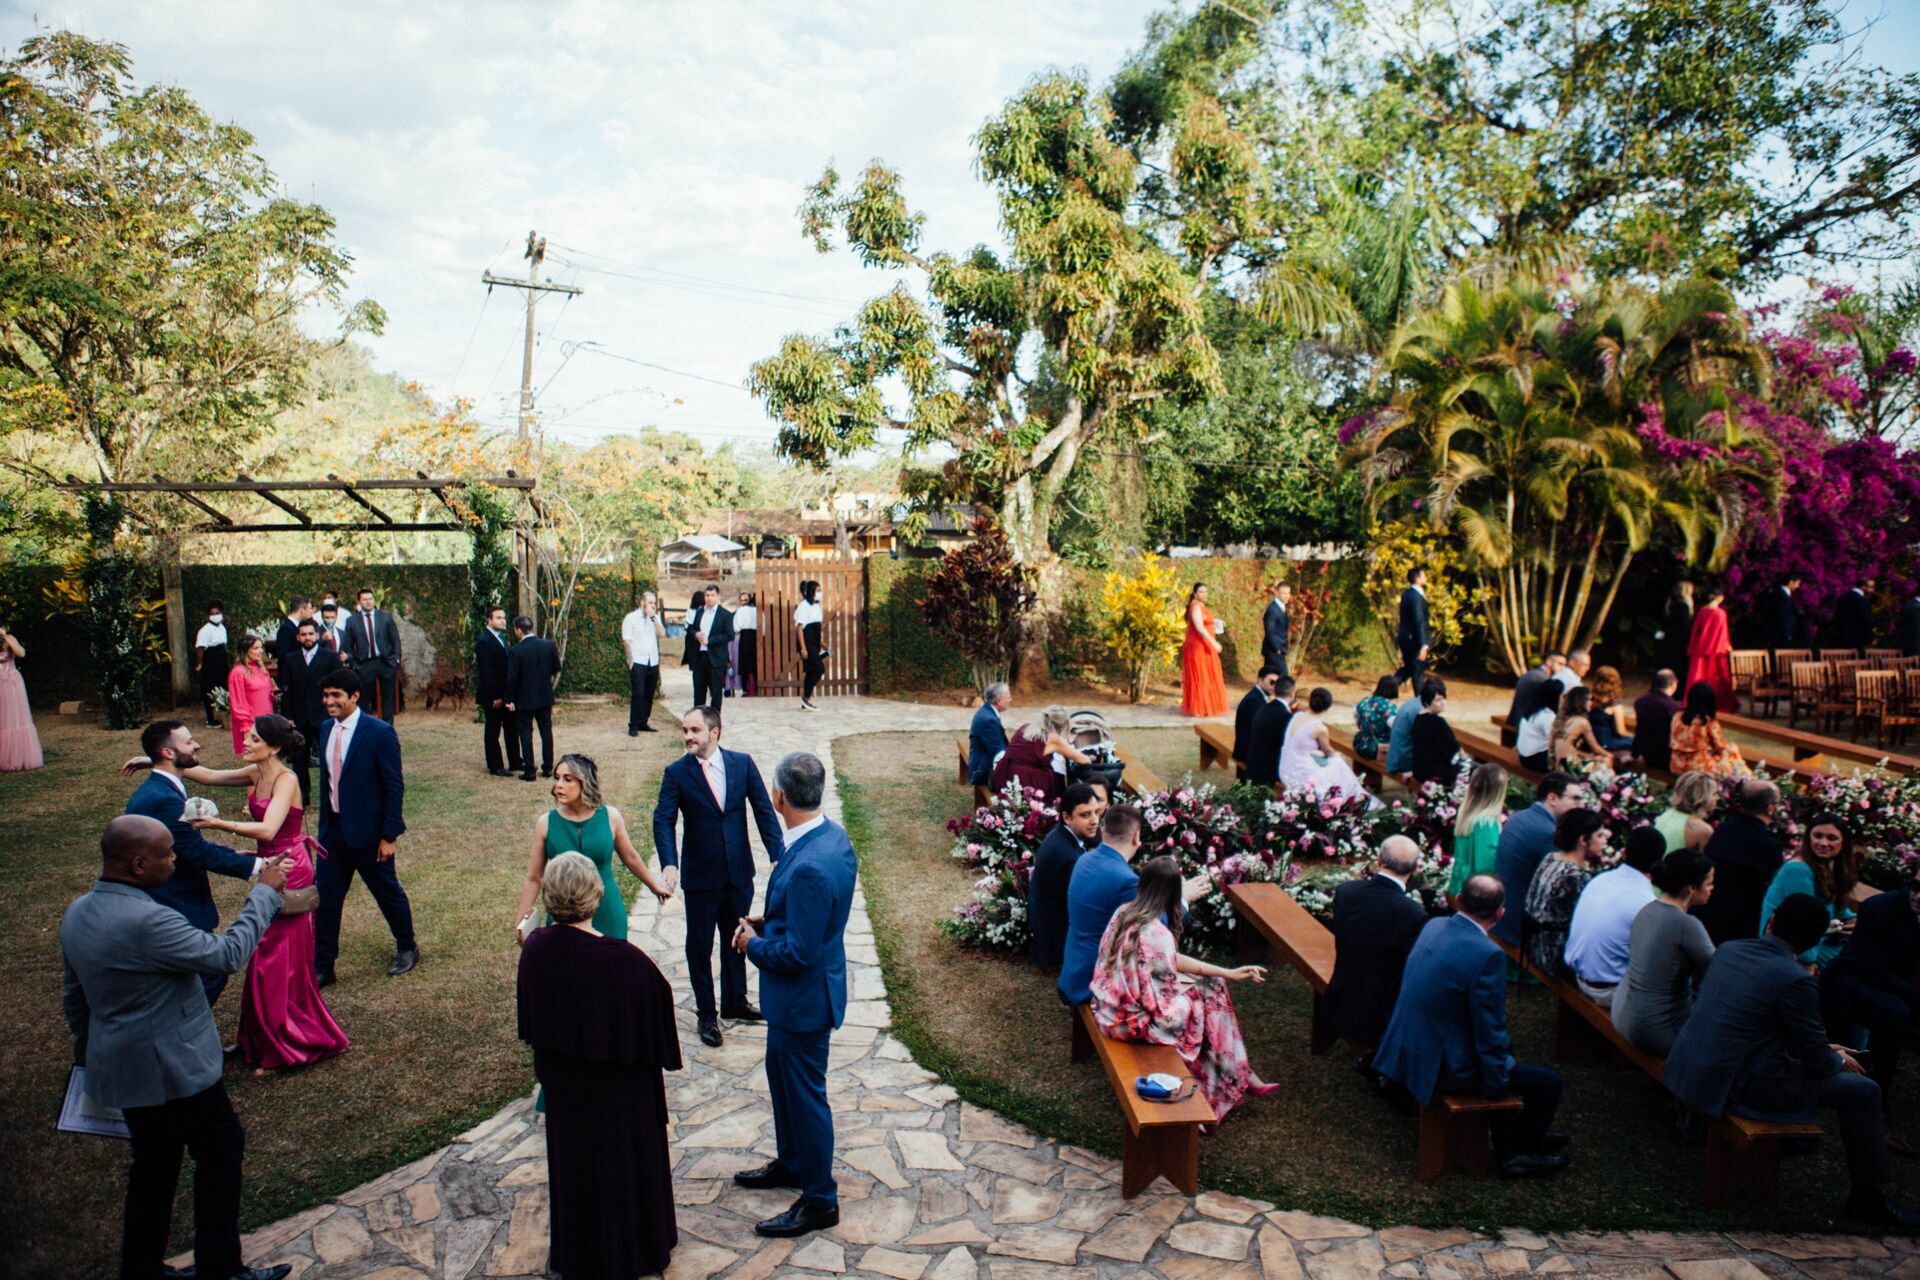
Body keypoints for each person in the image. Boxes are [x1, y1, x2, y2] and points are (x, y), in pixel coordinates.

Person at [62, 816, 292, 1280]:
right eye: (168, 854)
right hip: (173, 1067)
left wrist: (90, 1055)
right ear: (138, 863)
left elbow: (75, 998)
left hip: (123, 1067)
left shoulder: (78, 912)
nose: (175, 859)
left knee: (153, 1166)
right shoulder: (148, 921)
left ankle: (142, 1269)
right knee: (221, 1148)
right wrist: (264, 893)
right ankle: (221, 1269)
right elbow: (227, 956)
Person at [1664, 894, 1920, 1226]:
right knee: (1865, 1091)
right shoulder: (1794, 979)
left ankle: (1838, 1174)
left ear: (1771, 922)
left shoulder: (1729, 949)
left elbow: (1758, 1025)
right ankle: (1867, 1199)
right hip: (1731, 1082)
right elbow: (1816, 1061)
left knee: (1824, 1068)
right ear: (1814, 942)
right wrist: (1836, 1058)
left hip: (1690, 1065)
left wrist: (1827, 1049)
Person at [518, 852, 682, 1276]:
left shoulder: (535, 949)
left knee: (577, 1170)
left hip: (567, 1096)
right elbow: (661, 1029)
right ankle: (637, 1248)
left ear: (552, 898)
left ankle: (581, 1252)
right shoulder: (628, 962)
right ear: (596, 895)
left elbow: (533, 1023)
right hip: (622, 1101)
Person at [734, 751, 859, 1239]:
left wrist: (751, 943)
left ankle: (820, 1200)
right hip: (801, 997)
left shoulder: (809, 862)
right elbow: (815, 915)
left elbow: (797, 954)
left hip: (803, 1002)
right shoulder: (829, 835)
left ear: (778, 796)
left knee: (806, 1099)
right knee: (782, 1083)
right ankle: (791, 1163)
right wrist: (772, 921)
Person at [1373, 875, 1568, 1179]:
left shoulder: (1434, 925)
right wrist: (1496, 1084)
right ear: (1500, 915)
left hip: (1408, 1047)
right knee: (1547, 1082)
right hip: (1440, 1066)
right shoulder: (1486, 954)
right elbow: (1490, 1029)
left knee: (1508, 1059)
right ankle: (1518, 1151)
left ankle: (1521, 1135)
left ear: (1460, 901)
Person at [189, 715, 349, 1073]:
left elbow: (268, 827)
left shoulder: (286, 779)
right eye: (248, 736)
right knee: (264, 952)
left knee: (272, 956)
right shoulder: (254, 773)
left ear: (274, 747)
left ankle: (287, 1042)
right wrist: (158, 761)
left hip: (289, 868)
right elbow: (208, 775)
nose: (246, 743)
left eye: (254, 739)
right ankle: (258, 1039)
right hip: (268, 865)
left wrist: (217, 825)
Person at [1090, 855, 1275, 1119]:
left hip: (1107, 1010)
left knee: (1212, 986)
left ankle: (1235, 1076)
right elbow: (1165, 1011)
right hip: (1128, 1024)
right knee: (1210, 1002)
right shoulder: (1158, 933)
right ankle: (1229, 1082)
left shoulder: (1124, 912)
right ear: (1174, 892)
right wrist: (1196, 1001)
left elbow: (1168, 960)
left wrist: (1226, 973)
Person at [652, 706, 785, 1048]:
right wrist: (669, 863)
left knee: (737, 936)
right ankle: (707, 1014)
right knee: (699, 945)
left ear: (715, 732)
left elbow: (763, 810)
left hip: (738, 873)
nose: (688, 737)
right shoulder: (676, 773)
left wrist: (777, 854)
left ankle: (735, 1000)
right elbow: (663, 820)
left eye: (694, 730)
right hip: (700, 878)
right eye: (685, 730)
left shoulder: (742, 764)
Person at [123, 720, 266, 1004]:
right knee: (209, 972)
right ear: (168, 753)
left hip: (163, 897)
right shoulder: (164, 798)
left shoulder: (161, 787)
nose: (197, 744)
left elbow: (185, 843)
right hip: (173, 900)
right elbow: (195, 851)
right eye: (188, 741)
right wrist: (259, 867)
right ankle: (186, 1036)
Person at [313, 668, 418, 986]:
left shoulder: (379, 732)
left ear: (354, 697)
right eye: (326, 695)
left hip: (369, 835)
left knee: (386, 891)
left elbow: (393, 786)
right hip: (332, 833)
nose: (329, 702)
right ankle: (323, 965)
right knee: (326, 897)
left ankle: (407, 946)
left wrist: (389, 835)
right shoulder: (324, 729)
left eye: (336, 696)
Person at [516, 752, 673, 945]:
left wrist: (653, 885)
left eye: (567, 779)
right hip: (562, 913)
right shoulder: (546, 823)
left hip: (607, 908)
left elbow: (630, 857)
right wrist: (522, 921)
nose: (558, 785)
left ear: (585, 782)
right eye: (557, 778)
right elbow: (534, 877)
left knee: (611, 968)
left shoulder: (610, 817)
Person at [1059, 806, 1210, 1005]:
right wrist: (1181, 899)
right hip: (1097, 979)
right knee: (1204, 992)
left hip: (1074, 969)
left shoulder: (1084, 859)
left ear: (1104, 830)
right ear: (1136, 837)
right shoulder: (1127, 880)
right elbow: (1155, 934)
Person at [1825, 880, 1920, 1150]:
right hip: (1855, 980)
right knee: (1895, 1012)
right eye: (1916, 885)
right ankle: (1877, 1099)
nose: (1919, 895)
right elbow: (1874, 970)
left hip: (1899, 981)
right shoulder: (1879, 907)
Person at [1324, 837, 1429, 1071]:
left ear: (1379, 859)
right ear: (1414, 869)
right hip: (1378, 1008)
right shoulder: (1413, 914)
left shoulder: (1346, 892)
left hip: (1341, 989)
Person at [1612, 848, 1717, 1058]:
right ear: (1691, 888)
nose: (1712, 889)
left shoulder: (1647, 910)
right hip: (1654, 1030)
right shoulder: (1686, 924)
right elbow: (1717, 970)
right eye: (1708, 883)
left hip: (1622, 1012)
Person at [1564, 826, 1662, 1007]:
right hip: (1609, 991)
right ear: (1658, 864)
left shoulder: (1600, 879)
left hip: (1578, 976)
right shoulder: (1647, 902)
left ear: (1624, 853)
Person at [1492, 772, 1583, 946]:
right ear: (1553, 798)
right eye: (1575, 799)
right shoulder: (1548, 833)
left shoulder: (1520, 816)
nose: (1580, 805)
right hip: (1518, 926)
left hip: (1500, 911)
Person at [1759, 811, 1859, 968]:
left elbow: (1837, 906)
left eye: (1831, 838)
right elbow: (1801, 925)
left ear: (1843, 843)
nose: (1823, 843)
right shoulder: (1799, 870)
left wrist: (1852, 920)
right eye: (1817, 836)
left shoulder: (1828, 866)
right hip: (1790, 949)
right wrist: (1808, 964)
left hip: (1819, 939)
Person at [1696, 778, 1786, 947]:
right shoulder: (1769, 846)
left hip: (1707, 915)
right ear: (1770, 808)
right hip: (1740, 929)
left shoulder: (1723, 830)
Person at [1522, 808, 1606, 982]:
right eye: (1599, 835)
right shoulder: (1576, 876)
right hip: (1552, 956)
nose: (1604, 841)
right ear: (1583, 839)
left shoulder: (1551, 858)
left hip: (1531, 943)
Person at [1028, 784, 1104, 969]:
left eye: (1096, 812)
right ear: (1067, 817)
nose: (1095, 820)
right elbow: (1086, 905)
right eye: (1085, 815)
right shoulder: (1067, 856)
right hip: (1056, 945)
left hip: (1048, 927)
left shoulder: (1060, 836)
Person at [277, 619, 339, 808]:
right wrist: (287, 716)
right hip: (299, 718)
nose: (307, 637)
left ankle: (331, 795)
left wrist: (335, 713)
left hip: (324, 717)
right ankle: (302, 796)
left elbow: (338, 687)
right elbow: (286, 690)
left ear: (317, 635)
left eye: (311, 634)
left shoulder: (330, 657)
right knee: (299, 760)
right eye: (303, 634)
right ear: (298, 637)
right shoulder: (290, 658)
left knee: (329, 758)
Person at [1280, 687, 1375, 802]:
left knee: (1332, 764)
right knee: (1337, 762)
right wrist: (1337, 754)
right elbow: (1328, 751)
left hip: (1285, 766)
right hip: (1298, 772)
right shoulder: (1319, 728)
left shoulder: (1297, 716)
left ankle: (1351, 795)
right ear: (1328, 707)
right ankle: (1351, 797)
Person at [991, 705, 1092, 804]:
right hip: (1024, 781)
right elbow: (1082, 760)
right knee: (1057, 776)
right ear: (1063, 726)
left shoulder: (1025, 728)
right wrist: (1090, 757)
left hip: (1005, 773)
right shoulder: (1052, 738)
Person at [505, 614, 561, 782]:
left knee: (525, 734)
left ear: (518, 630)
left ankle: (529, 770)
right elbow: (556, 667)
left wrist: (510, 699)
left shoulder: (516, 650)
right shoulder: (548, 645)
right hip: (544, 696)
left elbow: (512, 678)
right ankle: (548, 767)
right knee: (546, 732)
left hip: (524, 698)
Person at [1448, 763, 1508, 902]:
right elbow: (1486, 864)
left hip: (1461, 884)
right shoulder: (1486, 823)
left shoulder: (1467, 813)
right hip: (1478, 893)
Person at [342, 587, 402, 721]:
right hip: (364, 664)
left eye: (370, 599)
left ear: (374, 600)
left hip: (386, 662)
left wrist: (396, 659)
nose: (368, 602)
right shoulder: (352, 621)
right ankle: (363, 728)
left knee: (388, 699)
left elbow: (395, 640)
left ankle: (387, 728)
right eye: (365, 599)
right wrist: (355, 664)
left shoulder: (385, 617)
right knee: (363, 700)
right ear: (359, 602)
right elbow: (348, 646)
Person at [475, 605, 520, 775]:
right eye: (499, 618)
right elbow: (487, 673)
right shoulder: (484, 642)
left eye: (504, 617)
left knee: (511, 727)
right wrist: (495, 697)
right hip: (494, 695)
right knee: (493, 729)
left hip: (506, 693)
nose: (503, 621)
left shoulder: (502, 638)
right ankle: (495, 765)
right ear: (489, 620)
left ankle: (516, 761)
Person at [1668, 681, 1748, 777]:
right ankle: (1748, 780)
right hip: (1699, 767)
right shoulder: (1708, 722)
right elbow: (1721, 747)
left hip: (1677, 765)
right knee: (1733, 755)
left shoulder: (1677, 716)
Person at [1180, 582, 1228, 718]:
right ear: (1195, 593)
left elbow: (1205, 622)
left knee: (1207, 674)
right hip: (1198, 645)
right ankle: (1198, 708)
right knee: (1200, 675)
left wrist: (1215, 623)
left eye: (1206, 592)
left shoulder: (1201, 606)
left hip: (1204, 645)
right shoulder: (1195, 606)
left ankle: (1205, 706)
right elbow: (1199, 627)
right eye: (1201, 592)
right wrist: (1214, 642)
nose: (1204, 594)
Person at [0, 618, 42, 772]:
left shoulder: (8, 639)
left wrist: (6, 639)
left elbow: (21, 653)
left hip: (11, 682)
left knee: (14, 716)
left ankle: (18, 756)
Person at [621, 591, 666, 735]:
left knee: (648, 694)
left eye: (654, 603)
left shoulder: (655, 618)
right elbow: (627, 641)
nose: (653, 606)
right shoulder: (631, 618)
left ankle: (643, 722)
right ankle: (633, 725)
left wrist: (653, 617)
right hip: (638, 661)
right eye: (650, 603)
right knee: (638, 694)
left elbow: (662, 633)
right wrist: (630, 661)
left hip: (652, 660)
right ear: (642, 603)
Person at [1685, 588, 1735, 714]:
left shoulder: (1701, 612)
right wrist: (1727, 646)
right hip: (1716, 651)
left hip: (1700, 649)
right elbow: (1723, 634)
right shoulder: (1720, 613)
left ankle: (1693, 702)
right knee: (1716, 678)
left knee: (1697, 677)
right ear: (1719, 597)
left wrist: (1693, 647)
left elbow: (1695, 632)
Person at [225, 636, 276, 759]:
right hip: (252, 723)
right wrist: (246, 728)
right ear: (245, 651)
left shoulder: (261, 668)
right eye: (256, 648)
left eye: (261, 647)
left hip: (268, 720)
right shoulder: (238, 672)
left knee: (270, 759)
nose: (261, 651)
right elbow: (238, 703)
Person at [687, 583, 733, 712]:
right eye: (707, 595)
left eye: (712, 595)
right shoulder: (699, 611)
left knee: (716, 692)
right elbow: (691, 628)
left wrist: (710, 640)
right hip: (700, 657)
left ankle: (714, 719)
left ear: (718, 596)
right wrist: (696, 634)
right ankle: (698, 718)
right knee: (699, 691)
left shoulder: (725, 615)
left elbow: (729, 635)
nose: (709, 598)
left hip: (716, 658)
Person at [1409, 677, 1463, 788]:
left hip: (1420, 770)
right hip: (1435, 773)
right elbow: (1454, 751)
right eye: (1438, 700)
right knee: (1479, 771)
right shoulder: (1438, 723)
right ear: (1427, 703)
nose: (1443, 703)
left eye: (1444, 698)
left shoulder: (1418, 719)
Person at [1243, 678, 1297, 788]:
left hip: (1254, 763)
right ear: (1292, 694)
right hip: (1269, 770)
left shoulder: (1264, 707)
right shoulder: (1285, 716)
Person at [1548, 687, 1612, 773]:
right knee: (1606, 760)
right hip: (1569, 768)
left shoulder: (1561, 719)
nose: (1592, 703)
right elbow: (1596, 748)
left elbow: (1564, 746)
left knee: (1593, 757)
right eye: (1590, 699)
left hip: (1556, 765)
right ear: (1581, 701)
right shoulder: (1582, 722)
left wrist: (1587, 755)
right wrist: (1610, 755)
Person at [1654, 769, 1718, 853]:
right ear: (1703, 797)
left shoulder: (1668, 813)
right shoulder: (1703, 830)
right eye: (1713, 794)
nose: (1717, 798)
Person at [1632, 669, 1684, 772]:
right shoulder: (1674, 708)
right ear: (1674, 684)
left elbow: (1640, 730)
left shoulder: (1641, 701)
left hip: (1646, 754)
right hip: (1665, 758)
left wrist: (1634, 753)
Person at [1232, 668, 1280, 772]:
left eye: (1277, 683)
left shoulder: (1258, 697)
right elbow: (1262, 730)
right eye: (1272, 682)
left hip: (1249, 748)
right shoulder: (1253, 701)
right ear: (1260, 680)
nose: (1274, 686)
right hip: (1247, 752)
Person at [1505, 651, 1566, 731]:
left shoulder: (1532, 673)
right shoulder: (1542, 680)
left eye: (1564, 665)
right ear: (1549, 662)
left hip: (1516, 719)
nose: (1563, 668)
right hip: (1526, 725)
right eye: (1560, 664)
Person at [194, 600, 231, 729]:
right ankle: (210, 719)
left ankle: (225, 714)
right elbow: (200, 648)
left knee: (224, 685)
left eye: (217, 613)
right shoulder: (205, 630)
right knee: (209, 688)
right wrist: (200, 663)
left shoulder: (222, 628)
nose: (215, 615)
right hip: (210, 658)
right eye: (212, 613)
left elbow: (224, 644)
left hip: (221, 657)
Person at [1512, 678, 1561, 775]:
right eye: (1563, 695)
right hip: (1535, 761)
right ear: (1556, 697)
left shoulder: (1533, 710)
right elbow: (1556, 741)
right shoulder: (1547, 716)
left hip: (1524, 757)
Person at [970, 682, 1013, 787]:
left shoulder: (987, 710)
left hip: (982, 760)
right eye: (1008, 697)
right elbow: (998, 753)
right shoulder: (989, 720)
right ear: (998, 701)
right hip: (982, 771)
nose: (1010, 700)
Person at [1585, 665, 1634, 754]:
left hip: (1589, 741)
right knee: (1636, 743)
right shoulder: (1615, 705)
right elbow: (1621, 731)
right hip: (1605, 743)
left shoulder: (1590, 699)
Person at [1397, 566, 1431, 693]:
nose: (1426, 578)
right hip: (1414, 640)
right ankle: (1421, 703)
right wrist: (1423, 645)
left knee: (1409, 670)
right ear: (1417, 579)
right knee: (1417, 671)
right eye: (1424, 576)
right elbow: (1419, 621)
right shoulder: (1415, 597)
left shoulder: (1408, 593)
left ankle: (1385, 689)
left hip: (1406, 638)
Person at [794, 579, 826, 710]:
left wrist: (821, 642)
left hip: (814, 641)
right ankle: (806, 698)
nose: (820, 593)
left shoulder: (816, 606)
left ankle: (805, 699)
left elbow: (815, 627)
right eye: (818, 591)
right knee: (819, 668)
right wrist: (803, 648)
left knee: (811, 670)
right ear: (812, 592)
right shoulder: (803, 606)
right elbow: (800, 628)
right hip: (806, 643)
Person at [1352, 675, 1398, 761]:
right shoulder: (1388, 707)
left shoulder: (1365, 701)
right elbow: (1397, 727)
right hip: (1378, 748)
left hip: (1360, 743)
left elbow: (1355, 713)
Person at [271, 596, 313, 682]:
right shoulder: (286, 629)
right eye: (309, 609)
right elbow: (283, 656)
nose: (311, 612)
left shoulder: (296, 626)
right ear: (302, 610)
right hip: (290, 679)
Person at [1384, 684, 1422, 777]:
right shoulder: (1420, 709)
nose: (1443, 702)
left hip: (1393, 757)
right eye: (1439, 699)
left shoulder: (1410, 703)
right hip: (1402, 761)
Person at [1661, 579, 1696, 676]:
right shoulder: (1683, 607)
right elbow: (1685, 626)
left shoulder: (1671, 605)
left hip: (1670, 641)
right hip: (1680, 643)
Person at [1261, 580, 1292, 680]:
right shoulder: (1272, 609)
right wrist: (1277, 648)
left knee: (1269, 677)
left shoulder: (1282, 607)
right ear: (1277, 593)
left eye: (1288, 593)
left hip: (1279, 649)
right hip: (1273, 650)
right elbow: (1269, 631)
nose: (1287, 596)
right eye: (1284, 593)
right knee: (1283, 678)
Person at [733, 590, 759, 696]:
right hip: (755, 637)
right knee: (755, 663)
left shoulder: (740, 611)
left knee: (743, 663)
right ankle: (756, 688)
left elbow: (736, 627)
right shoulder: (757, 611)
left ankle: (745, 689)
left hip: (744, 636)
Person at [1762, 579, 1802, 649]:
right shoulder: (1781, 596)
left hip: (1780, 636)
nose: (1798, 586)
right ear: (1791, 582)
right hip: (1780, 637)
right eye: (1797, 583)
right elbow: (1783, 616)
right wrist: (1788, 635)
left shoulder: (1780, 594)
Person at [1836, 581, 1874, 653]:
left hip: (1842, 639)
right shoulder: (1861, 600)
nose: (1872, 590)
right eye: (1870, 587)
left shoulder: (1842, 598)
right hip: (1858, 641)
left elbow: (1838, 619)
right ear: (1863, 586)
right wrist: (1870, 637)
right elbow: (1865, 619)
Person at [1899, 591, 1920, 657]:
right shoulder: (1917, 608)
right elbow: (1917, 631)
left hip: (1906, 648)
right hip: (1915, 651)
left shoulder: (1908, 605)